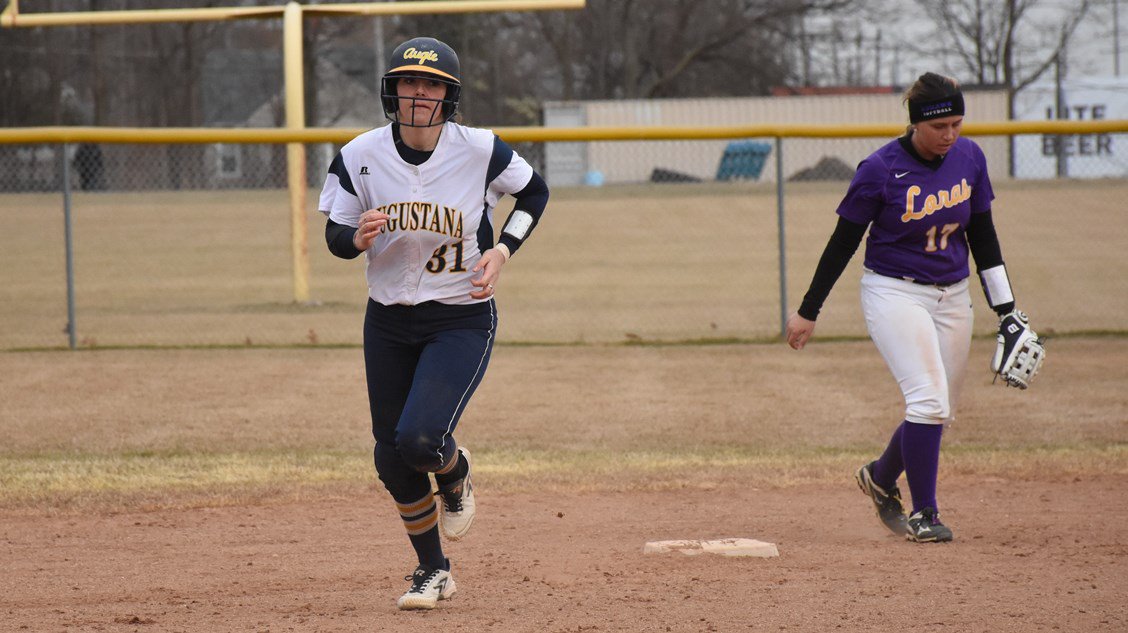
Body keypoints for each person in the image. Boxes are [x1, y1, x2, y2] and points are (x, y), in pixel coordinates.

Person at [317, 36, 549, 608]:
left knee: (421, 440)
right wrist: (356, 237)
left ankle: (455, 467)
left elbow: (534, 192)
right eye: (408, 82)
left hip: (460, 316)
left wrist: (503, 251)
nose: (418, 93)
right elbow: (334, 237)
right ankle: (433, 571)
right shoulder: (359, 154)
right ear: (391, 90)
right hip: (388, 320)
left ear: (449, 95)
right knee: (390, 458)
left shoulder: (479, 150)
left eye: (431, 84)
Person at [785, 72, 1030, 543]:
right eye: (941, 126)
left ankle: (880, 476)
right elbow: (841, 244)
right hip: (894, 291)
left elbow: (983, 237)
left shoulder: (970, 158)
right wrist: (808, 310)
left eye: (958, 123)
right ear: (917, 123)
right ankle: (925, 513)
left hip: (954, 294)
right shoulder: (879, 169)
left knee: (940, 411)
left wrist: (1007, 309)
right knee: (928, 401)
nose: (951, 135)